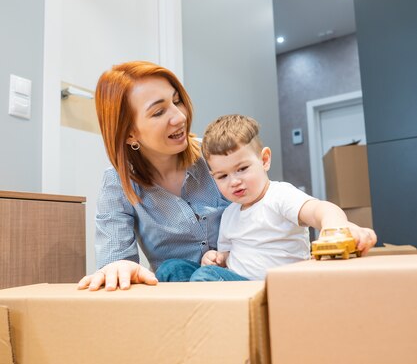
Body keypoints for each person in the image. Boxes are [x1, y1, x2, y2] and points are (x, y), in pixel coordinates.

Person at [156, 114, 377, 282]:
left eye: (242, 169)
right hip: (235, 280)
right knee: (170, 268)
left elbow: (321, 210)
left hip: (270, 286)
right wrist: (217, 257)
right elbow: (227, 255)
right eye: (222, 176)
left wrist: (334, 227)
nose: (234, 181)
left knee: (206, 278)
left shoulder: (279, 196)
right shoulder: (230, 213)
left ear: (264, 160)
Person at [77, 60, 230, 291]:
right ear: (129, 134)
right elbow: (115, 259)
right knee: (170, 269)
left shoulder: (215, 153)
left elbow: (267, 203)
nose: (180, 117)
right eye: (159, 112)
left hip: (244, 281)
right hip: (177, 297)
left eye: (177, 101)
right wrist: (118, 267)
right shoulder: (118, 183)